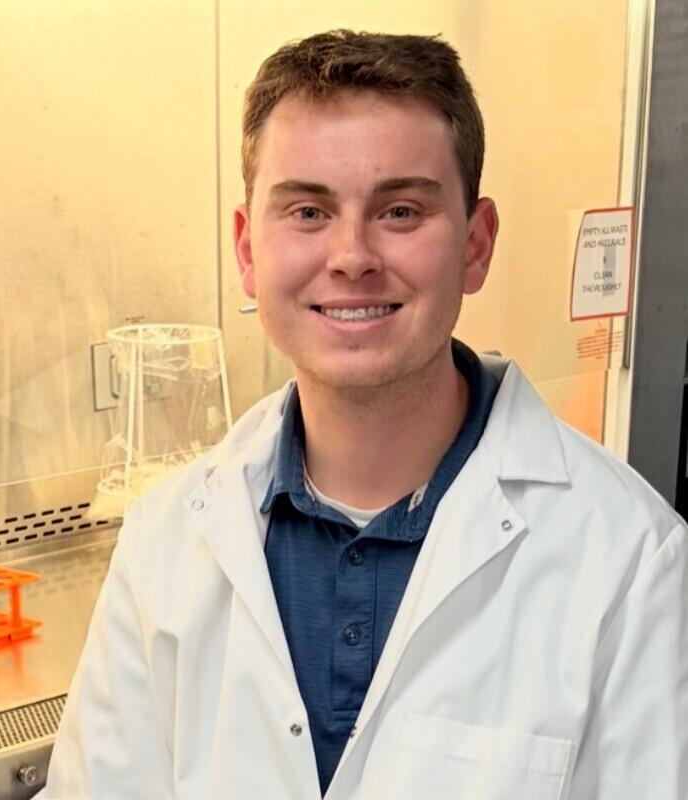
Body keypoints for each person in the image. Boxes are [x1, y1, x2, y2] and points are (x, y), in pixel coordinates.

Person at [39, 30, 688, 799]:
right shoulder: (167, 542)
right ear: (249, 250)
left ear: (476, 246)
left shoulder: (627, 558)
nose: (350, 255)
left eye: (401, 211)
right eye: (308, 211)